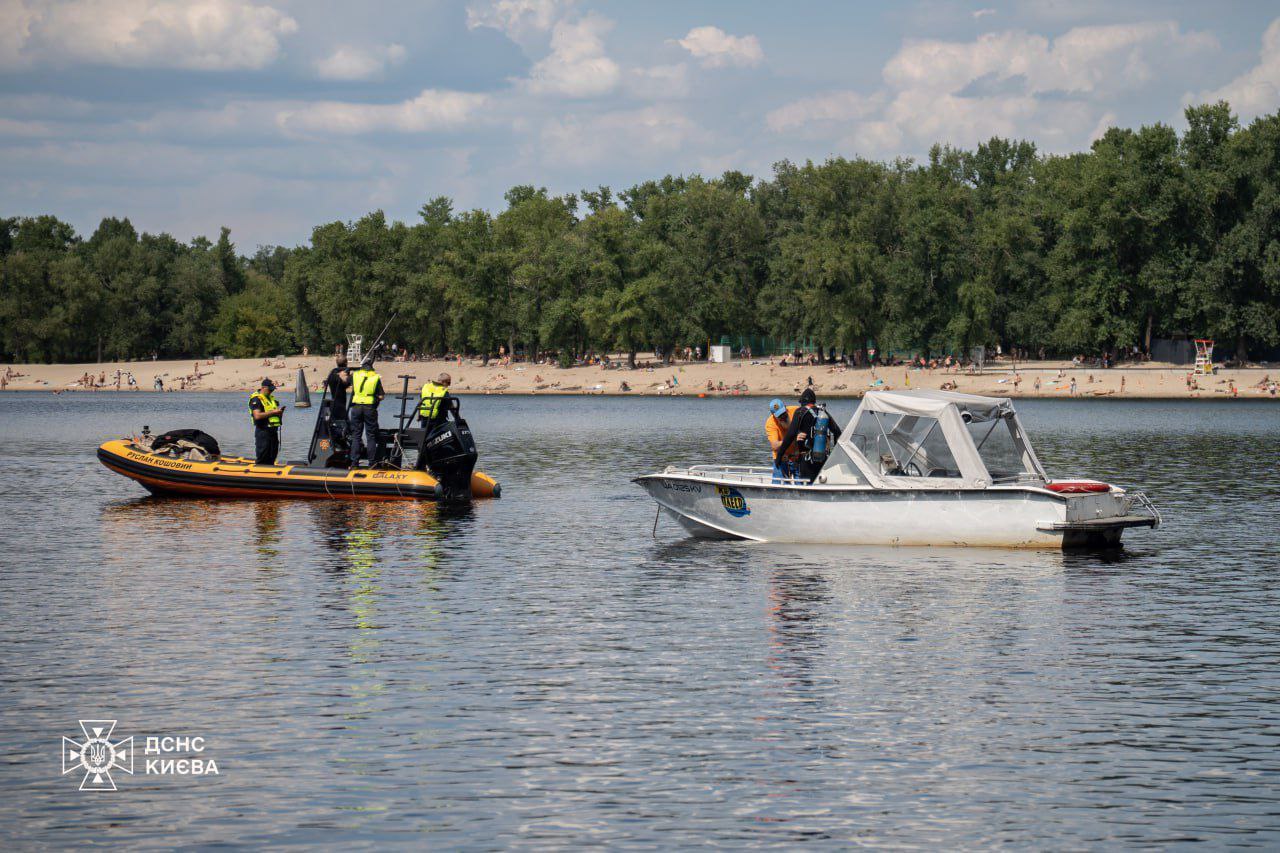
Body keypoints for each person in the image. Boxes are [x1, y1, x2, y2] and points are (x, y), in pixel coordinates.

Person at [774, 388, 843, 483]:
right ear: (814, 401)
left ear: (802, 402)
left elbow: (790, 435)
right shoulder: (823, 412)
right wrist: (835, 454)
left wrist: (779, 455)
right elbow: (837, 432)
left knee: (806, 484)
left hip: (805, 459)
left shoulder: (800, 412)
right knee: (819, 483)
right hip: (822, 458)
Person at [347, 357, 384, 468]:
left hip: (356, 407)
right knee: (371, 436)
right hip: (369, 408)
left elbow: (346, 381)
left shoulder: (355, 375)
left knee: (356, 436)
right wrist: (375, 399)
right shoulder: (375, 377)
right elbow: (381, 396)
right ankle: (371, 463)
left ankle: (354, 463)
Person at [249, 378, 284, 465]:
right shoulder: (256, 399)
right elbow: (257, 415)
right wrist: (274, 412)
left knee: (272, 456)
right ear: (263, 388)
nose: (271, 391)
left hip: (273, 432)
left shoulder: (271, 399)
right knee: (263, 457)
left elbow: (273, 415)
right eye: (270, 389)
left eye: (273, 389)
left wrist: (279, 413)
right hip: (263, 432)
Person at [765, 398, 800, 482]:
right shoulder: (770, 423)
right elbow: (774, 445)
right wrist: (792, 438)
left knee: (803, 483)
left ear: (785, 407)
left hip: (798, 457)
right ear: (773, 415)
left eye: (784, 413)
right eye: (779, 416)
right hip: (781, 458)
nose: (783, 417)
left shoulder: (796, 411)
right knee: (778, 486)